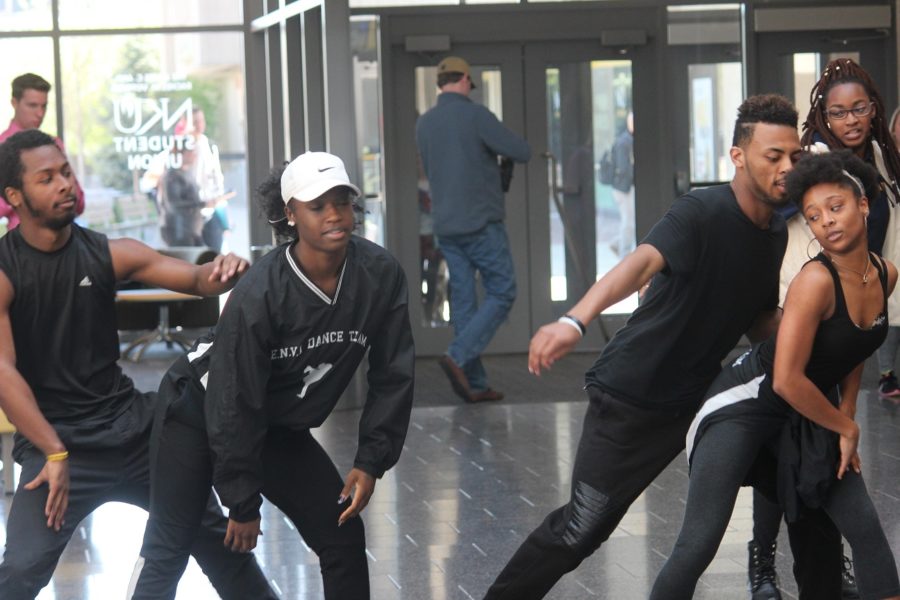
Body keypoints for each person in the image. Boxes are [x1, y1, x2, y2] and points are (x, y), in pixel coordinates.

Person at [483, 94, 800, 599]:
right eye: (773, 156)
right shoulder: (702, 210)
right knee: (581, 530)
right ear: (738, 156)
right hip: (631, 397)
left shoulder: (775, 233)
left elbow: (760, 317)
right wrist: (574, 319)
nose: (787, 167)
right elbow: (640, 263)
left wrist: (817, 324)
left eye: (794, 156)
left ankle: (796, 571)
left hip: (697, 400)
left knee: (797, 466)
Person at [0, 129, 276, 600]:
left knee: (222, 547)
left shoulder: (108, 253)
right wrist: (53, 450)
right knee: (20, 573)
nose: (65, 184)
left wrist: (222, 271)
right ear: (14, 197)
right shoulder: (5, 271)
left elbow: (195, 277)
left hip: (136, 435)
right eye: (46, 179)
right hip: (57, 446)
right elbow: (3, 373)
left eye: (65, 172)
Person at [129, 151, 415, 599]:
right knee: (170, 546)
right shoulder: (260, 292)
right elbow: (232, 400)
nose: (335, 215)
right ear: (290, 214)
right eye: (318, 206)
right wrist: (243, 502)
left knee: (341, 532)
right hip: (196, 416)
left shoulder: (379, 274)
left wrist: (370, 460)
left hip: (274, 426)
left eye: (342, 201)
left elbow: (394, 372)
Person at [649, 150, 900, 600]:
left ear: (863, 204)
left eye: (836, 207)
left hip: (807, 408)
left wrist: (844, 412)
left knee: (865, 532)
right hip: (744, 405)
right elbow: (784, 379)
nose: (827, 221)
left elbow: (855, 344)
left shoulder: (885, 274)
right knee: (698, 544)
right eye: (814, 216)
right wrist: (845, 424)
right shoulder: (814, 281)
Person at [747, 58, 900, 600]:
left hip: (851, 307)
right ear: (823, 115)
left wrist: (847, 418)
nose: (850, 119)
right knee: (781, 441)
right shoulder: (808, 160)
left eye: (859, 108)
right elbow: (767, 208)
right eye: (838, 111)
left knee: (817, 448)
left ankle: (826, 571)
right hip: (801, 299)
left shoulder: (881, 157)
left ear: (874, 108)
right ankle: (762, 563)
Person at [415, 55, 531, 403]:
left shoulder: (425, 123)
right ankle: (458, 356)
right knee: (503, 290)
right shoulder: (476, 115)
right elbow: (521, 150)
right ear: (465, 80)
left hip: (446, 226)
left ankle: (475, 384)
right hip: (480, 222)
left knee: (464, 301)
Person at [0, 73, 84, 230]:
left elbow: (79, 203)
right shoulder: (1, 147)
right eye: (32, 105)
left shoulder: (53, 144)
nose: (40, 113)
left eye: (44, 106)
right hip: (21, 248)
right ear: (14, 103)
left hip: (65, 241)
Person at [611, 111, 635, 258]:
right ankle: (624, 255)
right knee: (628, 222)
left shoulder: (627, 140)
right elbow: (623, 168)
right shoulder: (624, 142)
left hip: (625, 187)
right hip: (624, 189)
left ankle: (618, 244)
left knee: (629, 221)